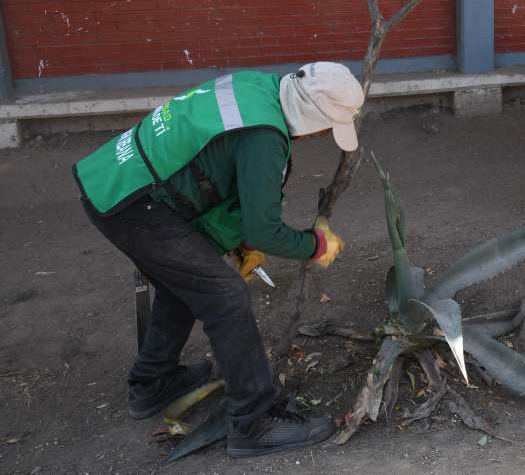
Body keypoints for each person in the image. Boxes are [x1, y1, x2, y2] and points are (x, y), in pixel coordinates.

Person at [75, 62, 364, 458]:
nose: (322, 136)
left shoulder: (258, 86)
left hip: (117, 176)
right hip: (133, 203)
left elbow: (216, 167)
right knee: (224, 296)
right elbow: (264, 228)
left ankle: (151, 383)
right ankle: (253, 423)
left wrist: (240, 242)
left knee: (191, 281)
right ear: (310, 114)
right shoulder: (265, 137)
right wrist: (314, 246)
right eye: (326, 127)